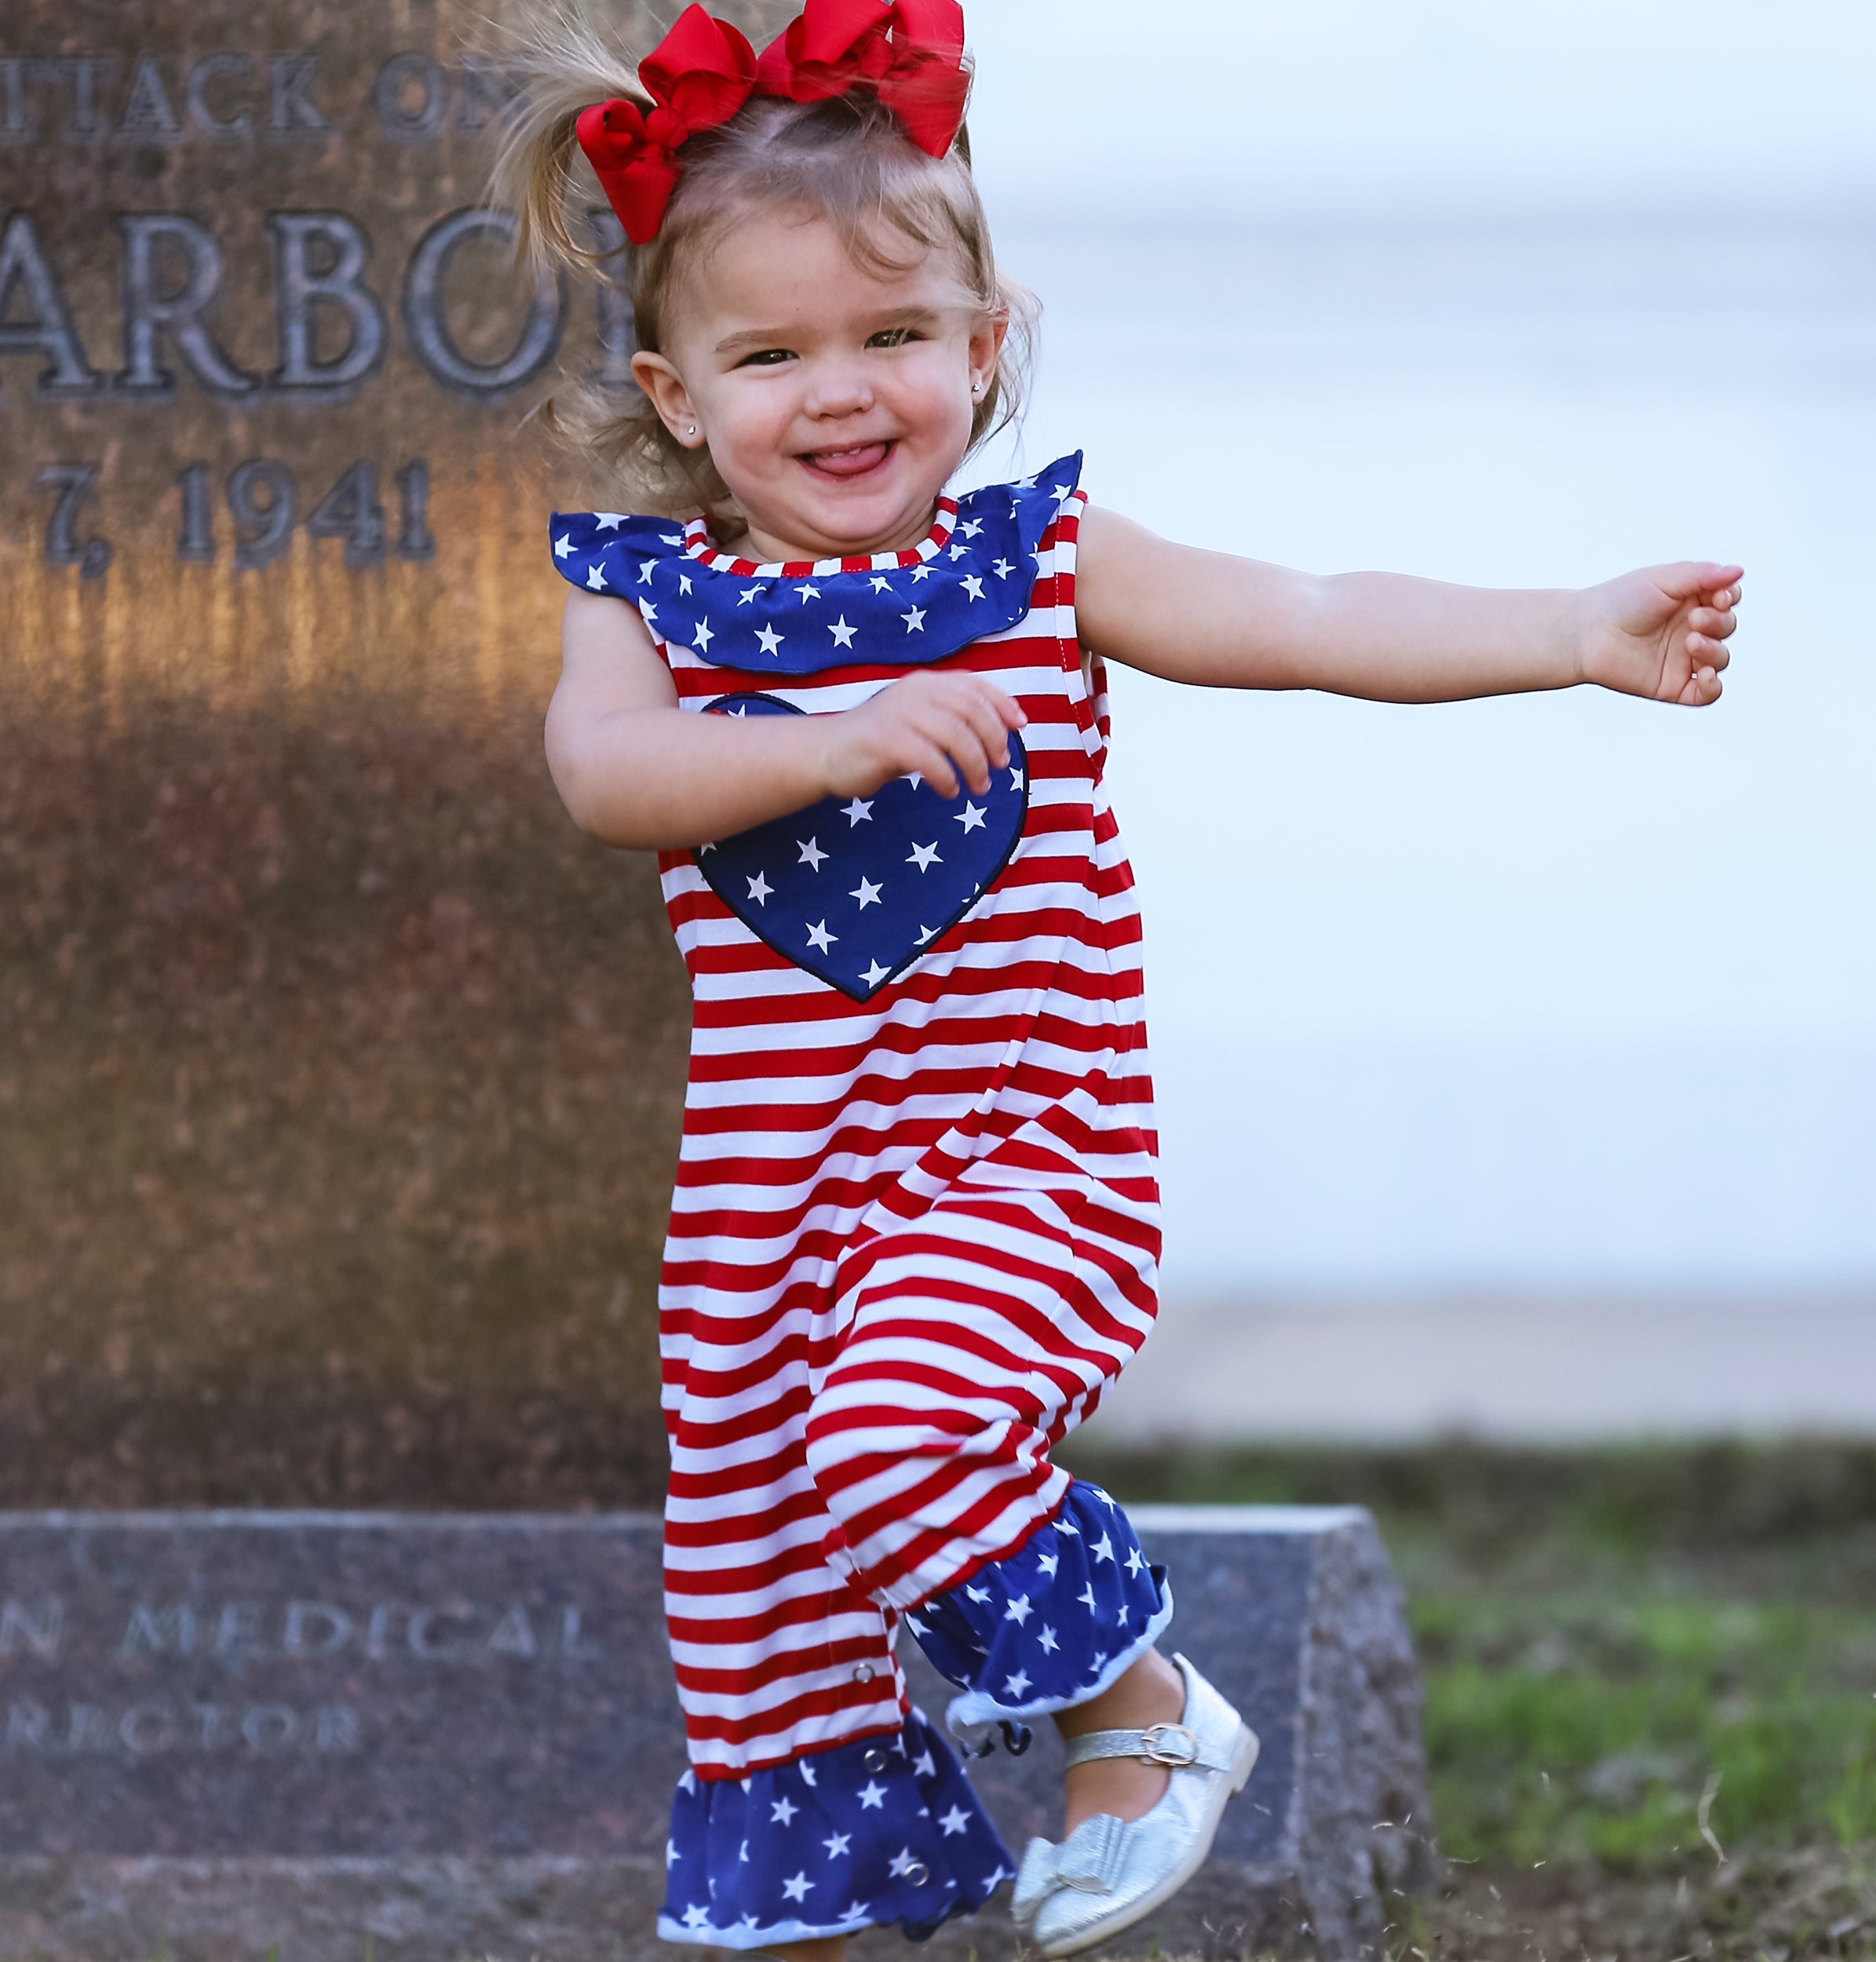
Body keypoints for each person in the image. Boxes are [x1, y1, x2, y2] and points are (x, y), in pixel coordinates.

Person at [498, 3, 1742, 1956]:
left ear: (984, 347)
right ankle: (854, 1900)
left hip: (1020, 1153)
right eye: (772, 353)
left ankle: (1138, 1716)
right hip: (772, 1198)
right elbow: (605, 775)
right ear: (675, 393)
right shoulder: (643, 595)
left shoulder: (1043, 558)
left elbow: (1314, 616)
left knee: (900, 1440)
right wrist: (824, 741)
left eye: (894, 336)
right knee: (768, 1572)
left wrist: (1565, 627)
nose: (842, 391)